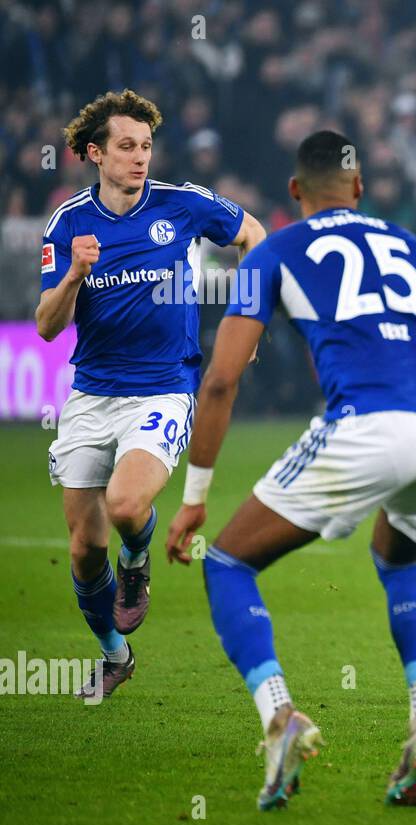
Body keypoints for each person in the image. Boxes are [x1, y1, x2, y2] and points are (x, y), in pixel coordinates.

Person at [164, 130, 416, 810]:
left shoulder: (276, 250)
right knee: (399, 560)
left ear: (294, 193)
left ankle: (280, 719)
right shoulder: (413, 246)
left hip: (367, 427)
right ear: (361, 189)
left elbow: (221, 381)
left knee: (226, 562)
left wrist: (194, 497)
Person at [37, 89, 264, 701]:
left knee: (127, 507)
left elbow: (255, 234)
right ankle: (116, 656)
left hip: (163, 390)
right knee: (84, 550)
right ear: (94, 153)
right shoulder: (69, 226)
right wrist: (75, 276)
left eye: (146, 147)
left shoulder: (182, 205)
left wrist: (248, 314)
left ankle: (137, 563)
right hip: (91, 395)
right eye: (127, 147)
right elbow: (46, 325)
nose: (140, 159)